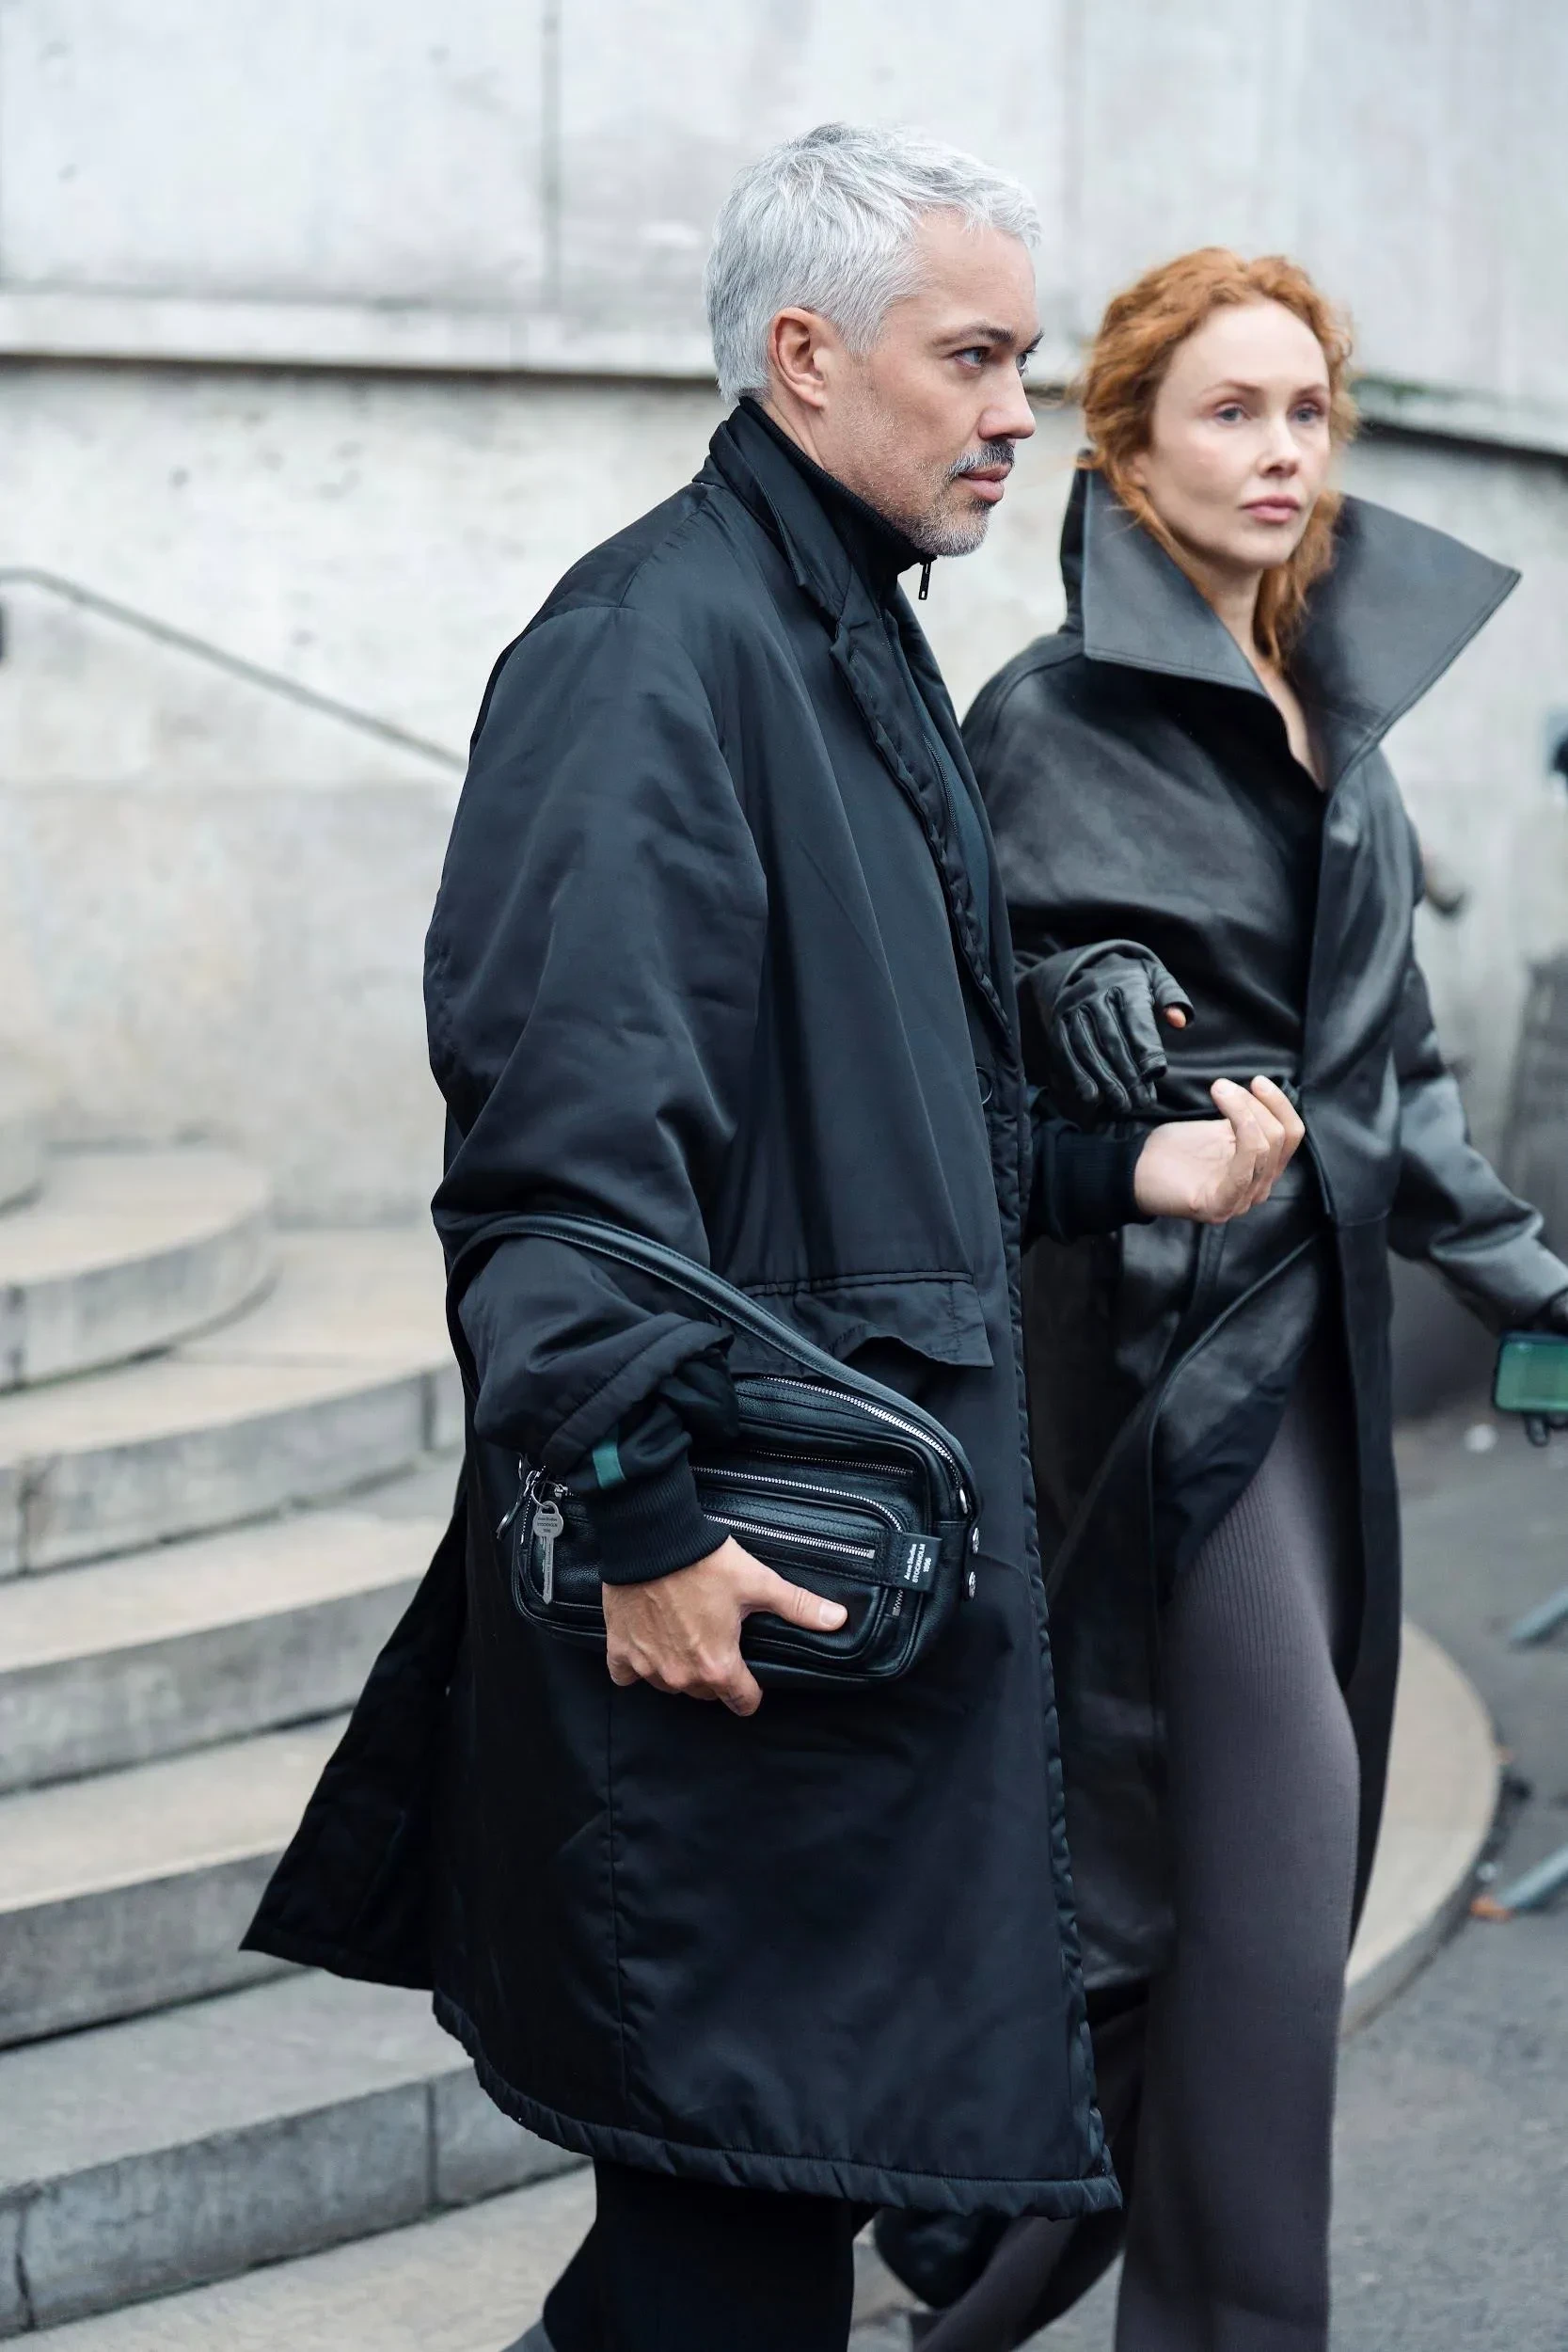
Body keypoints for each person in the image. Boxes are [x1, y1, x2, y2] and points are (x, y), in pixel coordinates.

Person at [245, 150, 1301, 2352]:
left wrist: (1126, 1173)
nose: (1013, 410)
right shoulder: (656, 647)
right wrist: (640, 1517)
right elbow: (556, 1156)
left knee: (734, 2239)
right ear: (805, 359)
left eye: (1022, 357)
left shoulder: (832, 629)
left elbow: (870, 1148)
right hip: (735, 1593)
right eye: (972, 357)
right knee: (724, 2243)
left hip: (826, 1600)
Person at [880, 248, 1568, 2350]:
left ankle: (972, 2298)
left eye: (1306, 412)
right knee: (1256, 1904)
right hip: (1156, 1379)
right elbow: (938, 1038)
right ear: (1127, 448)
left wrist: (1535, 1291)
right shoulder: (1041, 717)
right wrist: (1059, 993)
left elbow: (1395, 1077)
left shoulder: (1333, 710)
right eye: (1229, 412)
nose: (1281, 453)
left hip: (1318, 1361)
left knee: (1220, 1919)